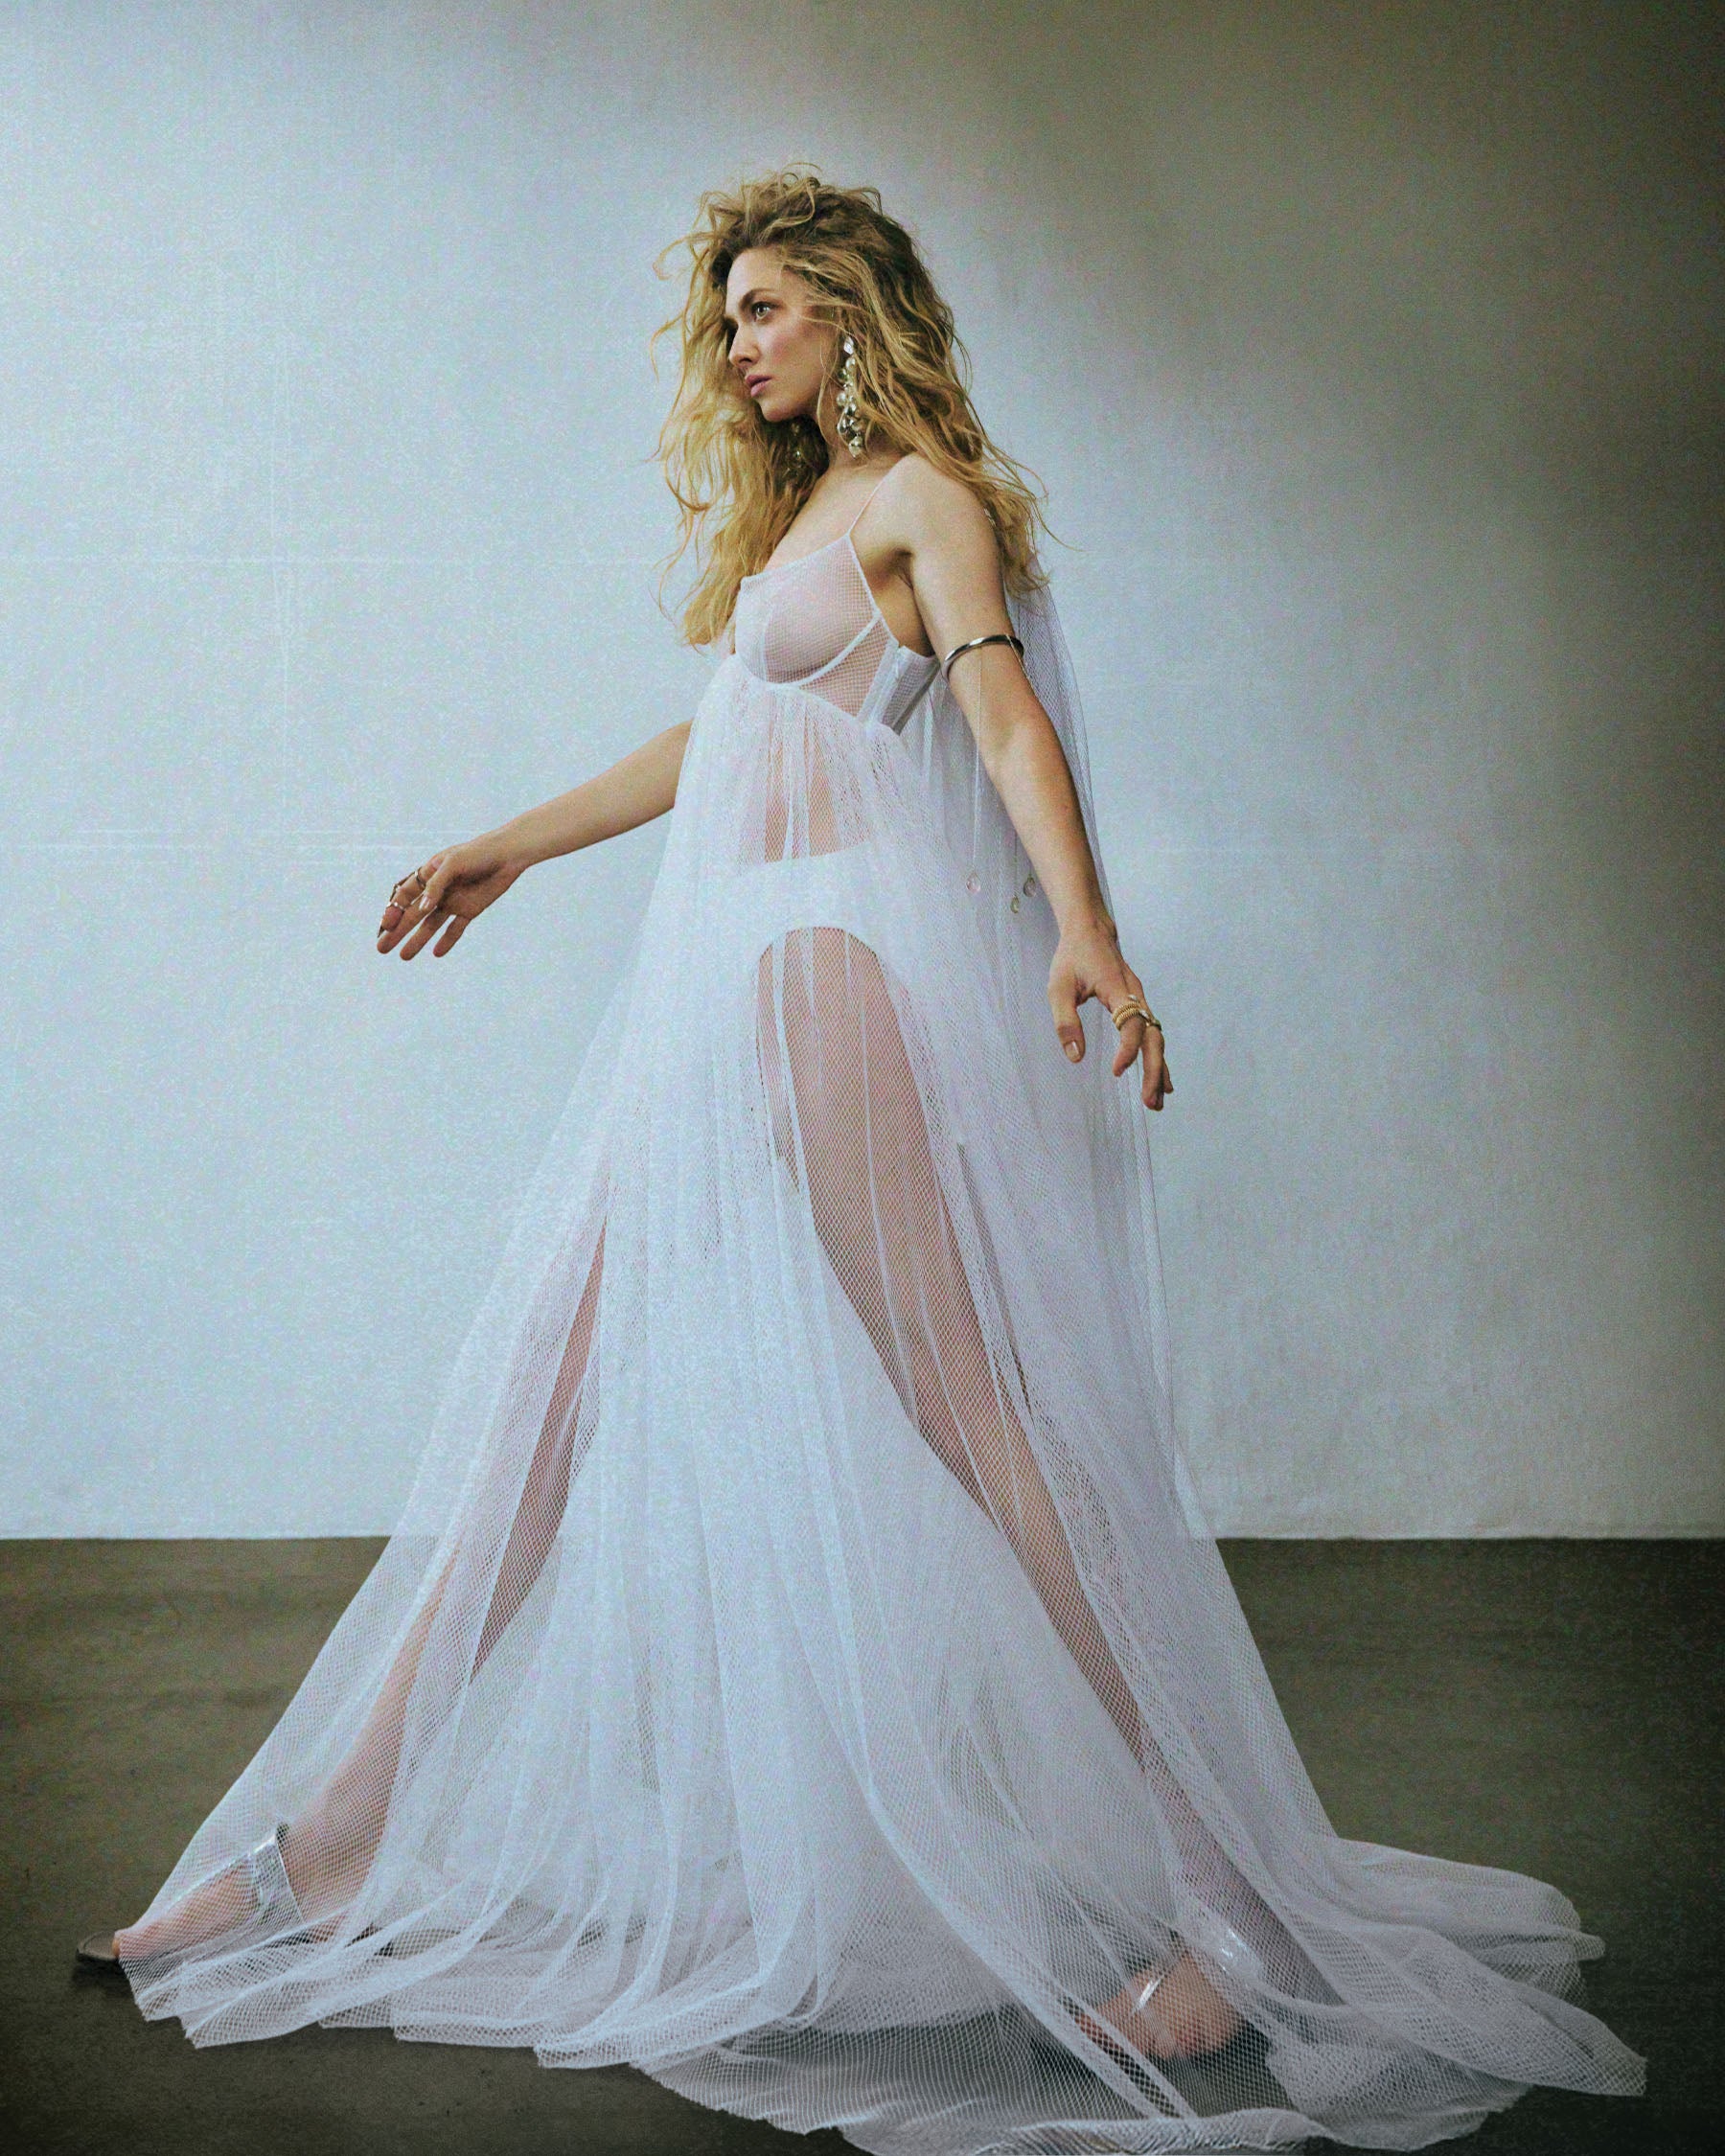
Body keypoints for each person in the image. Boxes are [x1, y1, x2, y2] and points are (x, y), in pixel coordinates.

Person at [79, 171, 1644, 2153]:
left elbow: (1002, 723)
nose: (736, 344)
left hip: (825, 969)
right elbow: (720, 738)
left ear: (850, 309)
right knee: (543, 1400)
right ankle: (332, 1846)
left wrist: (1088, 931)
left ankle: (1235, 1903)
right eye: (726, 315)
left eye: (765, 309)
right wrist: (508, 844)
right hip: (713, 985)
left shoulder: (926, 502)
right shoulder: (810, 514)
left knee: (978, 1416)